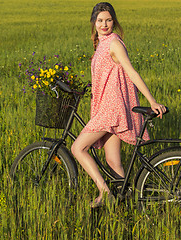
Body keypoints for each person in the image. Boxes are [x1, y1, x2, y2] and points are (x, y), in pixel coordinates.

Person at [70, 2, 167, 207]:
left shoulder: (114, 43)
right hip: (107, 104)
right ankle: (125, 204)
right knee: (113, 161)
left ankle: (104, 193)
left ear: (114, 21)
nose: (104, 24)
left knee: (78, 148)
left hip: (111, 108)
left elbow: (131, 72)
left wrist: (152, 101)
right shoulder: (101, 42)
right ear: (94, 23)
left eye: (108, 20)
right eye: (100, 20)